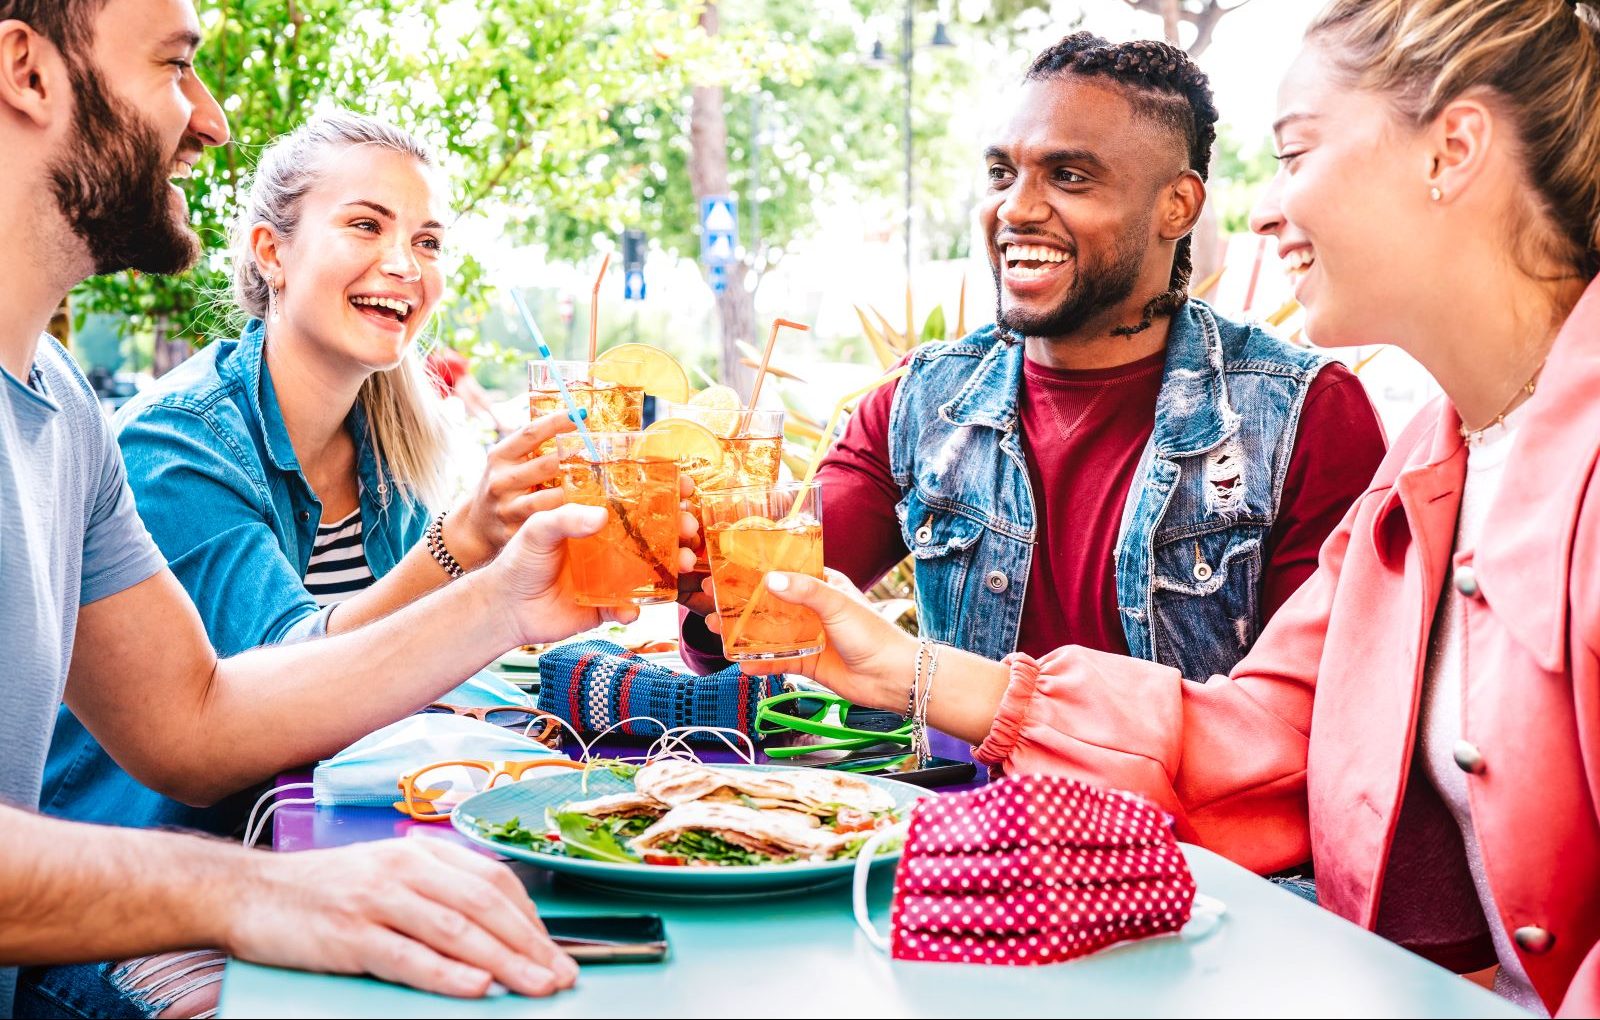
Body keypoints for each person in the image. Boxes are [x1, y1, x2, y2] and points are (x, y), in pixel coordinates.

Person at [719, 0, 1600, 1013]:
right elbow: (1261, 734)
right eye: (1003, 172)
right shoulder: (1428, 468)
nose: (1266, 212)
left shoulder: (1321, 414)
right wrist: (898, 666)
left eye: (1297, 154)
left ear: (1452, 151)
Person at [0, 1, 691, 1015]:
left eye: (423, 239)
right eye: (176, 66)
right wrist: (262, 892)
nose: (212, 120)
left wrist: (506, 601)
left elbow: (194, 722)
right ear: (27, 70)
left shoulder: (62, 404)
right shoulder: (175, 435)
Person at [681, 32, 1386, 766]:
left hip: (1191, 868)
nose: (1015, 209)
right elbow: (761, 617)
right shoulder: (923, 401)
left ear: (1177, 205)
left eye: (1069, 177)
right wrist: (707, 572)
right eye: (1000, 173)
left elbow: (1309, 733)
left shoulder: (1303, 416)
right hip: (959, 848)